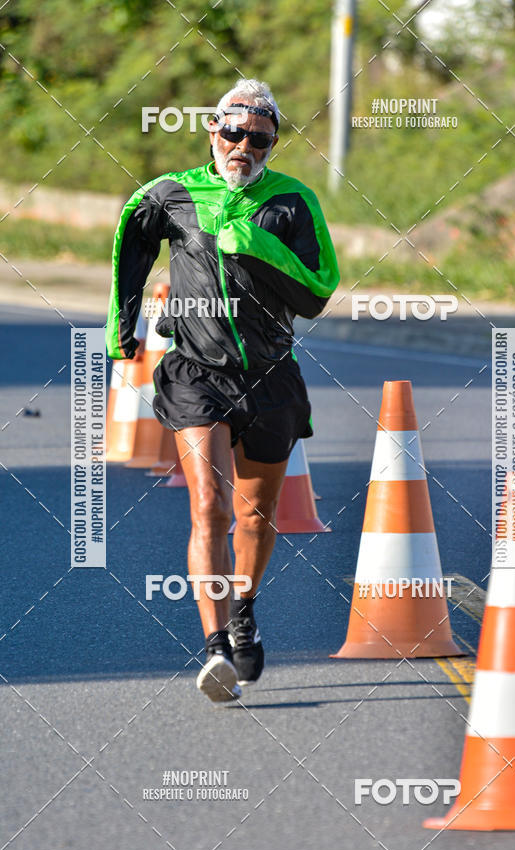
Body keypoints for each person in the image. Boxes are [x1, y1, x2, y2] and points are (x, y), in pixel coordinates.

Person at [106, 78, 339, 702]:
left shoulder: (293, 201)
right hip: (195, 374)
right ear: (213, 131)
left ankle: (244, 610)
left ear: (272, 143)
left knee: (254, 516)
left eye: (258, 139)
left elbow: (318, 292)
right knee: (207, 506)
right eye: (232, 133)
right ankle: (214, 651)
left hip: (270, 378)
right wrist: (120, 322)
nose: (242, 147)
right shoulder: (175, 193)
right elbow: (132, 233)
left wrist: (257, 244)